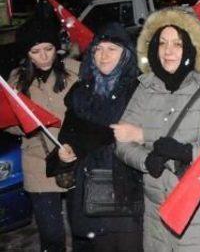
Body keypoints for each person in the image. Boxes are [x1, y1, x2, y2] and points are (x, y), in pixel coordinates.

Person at [113, 7, 200, 251]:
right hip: (158, 216)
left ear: (190, 48)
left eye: (177, 44)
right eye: (162, 43)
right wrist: (147, 161)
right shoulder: (145, 88)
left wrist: (185, 152)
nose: (168, 51)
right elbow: (122, 141)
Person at [52, 23, 142, 250]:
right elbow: (67, 137)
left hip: (130, 194)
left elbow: (159, 136)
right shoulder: (80, 94)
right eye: (98, 49)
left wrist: (141, 135)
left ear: (126, 54)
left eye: (112, 49)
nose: (103, 56)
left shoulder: (141, 91)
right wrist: (64, 156)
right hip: (92, 195)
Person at [5, 16, 79, 252]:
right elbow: (7, 120)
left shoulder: (74, 70)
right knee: (52, 235)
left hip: (76, 159)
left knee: (83, 231)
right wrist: (28, 124)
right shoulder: (17, 80)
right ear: (27, 53)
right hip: (38, 162)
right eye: (36, 51)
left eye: (48, 49)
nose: (44, 56)